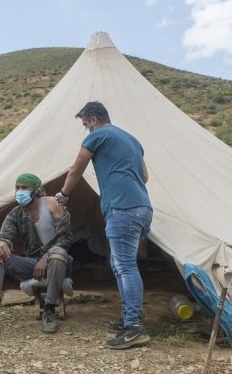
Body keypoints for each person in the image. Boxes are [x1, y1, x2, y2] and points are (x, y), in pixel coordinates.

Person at [55, 101, 153, 350]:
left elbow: (76, 169)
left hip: (123, 210)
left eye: (85, 124)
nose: (86, 129)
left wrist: (64, 195)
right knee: (119, 265)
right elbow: (144, 177)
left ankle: (134, 328)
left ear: (94, 120)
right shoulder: (132, 139)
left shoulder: (98, 135)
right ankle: (128, 319)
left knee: (125, 266)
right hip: (142, 208)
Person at [0, 173, 74, 337]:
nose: (20, 191)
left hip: (59, 263)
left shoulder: (51, 203)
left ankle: (49, 311)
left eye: (24, 188)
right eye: (17, 188)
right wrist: (1, 243)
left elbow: (65, 237)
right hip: (33, 264)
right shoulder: (16, 213)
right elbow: (3, 236)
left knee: (57, 253)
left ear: (36, 190)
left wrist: (46, 256)